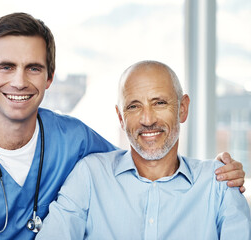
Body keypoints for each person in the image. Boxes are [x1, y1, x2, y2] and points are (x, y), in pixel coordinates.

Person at [0, 13, 245, 240]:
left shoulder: (74, 141)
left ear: (49, 78)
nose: (19, 81)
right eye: (6, 66)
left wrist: (218, 172)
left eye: (33, 68)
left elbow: (149, 149)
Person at [36, 60, 251, 240]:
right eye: (134, 106)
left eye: (159, 103)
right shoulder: (90, 176)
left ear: (182, 109)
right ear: (121, 117)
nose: (147, 120)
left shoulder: (219, 182)